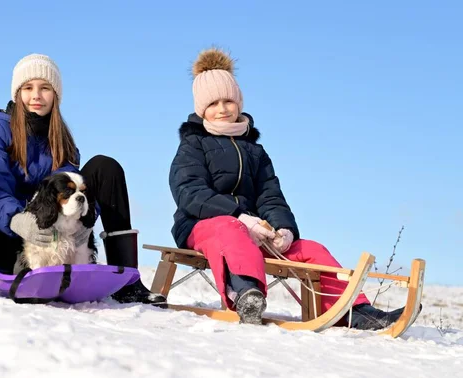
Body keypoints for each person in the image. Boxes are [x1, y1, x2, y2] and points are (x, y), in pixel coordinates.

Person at [168, 47, 406, 328]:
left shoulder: (255, 151)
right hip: (202, 227)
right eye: (213, 103)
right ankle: (246, 294)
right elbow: (189, 192)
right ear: (201, 108)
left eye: (228, 101)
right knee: (231, 229)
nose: (222, 109)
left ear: (239, 103)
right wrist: (240, 217)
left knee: (312, 249)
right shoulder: (193, 145)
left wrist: (284, 230)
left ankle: (356, 310)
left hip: (255, 231)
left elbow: (271, 195)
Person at [0, 53, 165, 305]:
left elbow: (70, 193)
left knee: (105, 166)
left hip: (52, 242)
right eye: (28, 88)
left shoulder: (62, 141)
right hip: (0, 237)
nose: (36, 95)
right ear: (17, 93)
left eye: (45, 88)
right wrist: (17, 219)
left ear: (55, 95)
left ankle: (127, 283)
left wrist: (85, 223)